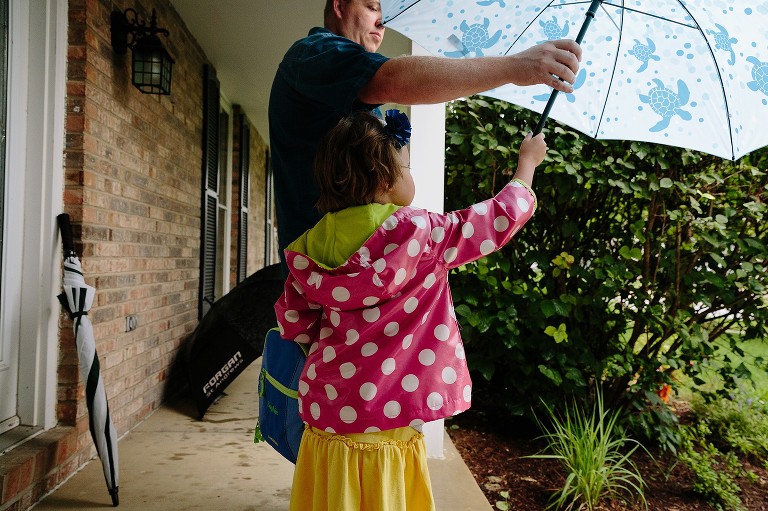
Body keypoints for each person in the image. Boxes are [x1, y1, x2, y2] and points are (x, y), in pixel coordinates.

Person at [274, 109, 546, 510]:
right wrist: (527, 164)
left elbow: (293, 319)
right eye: (405, 164)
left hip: (328, 411)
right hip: (390, 412)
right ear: (386, 180)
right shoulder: (422, 233)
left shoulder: (311, 246)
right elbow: (494, 221)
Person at [269, 0, 581, 276]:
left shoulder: (307, 256)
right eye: (372, 7)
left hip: (323, 311)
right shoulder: (313, 53)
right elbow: (490, 222)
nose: (382, 21)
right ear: (339, 6)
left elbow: (292, 318)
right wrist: (514, 67)